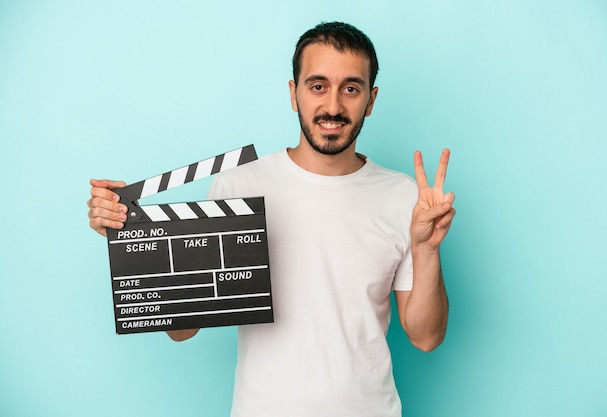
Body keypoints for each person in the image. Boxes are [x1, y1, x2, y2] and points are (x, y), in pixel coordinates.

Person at [87, 21, 455, 417]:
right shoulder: (239, 187)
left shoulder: (403, 197)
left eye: (351, 88)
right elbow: (182, 329)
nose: (333, 105)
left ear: (371, 99)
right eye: (317, 86)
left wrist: (427, 249)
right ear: (293, 94)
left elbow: (426, 336)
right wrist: (133, 238)